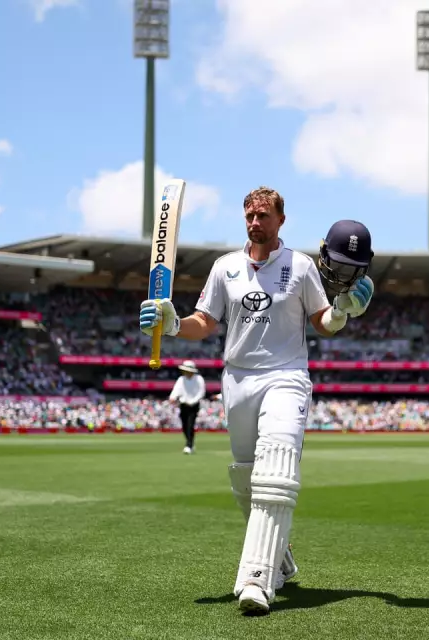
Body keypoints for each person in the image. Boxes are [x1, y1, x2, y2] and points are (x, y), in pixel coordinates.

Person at [139, 187, 374, 615]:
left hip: (286, 376)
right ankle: (280, 560)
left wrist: (342, 313)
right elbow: (204, 322)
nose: (254, 221)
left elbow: (323, 321)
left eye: (263, 215)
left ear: (281, 220)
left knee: (276, 472)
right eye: (249, 214)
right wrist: (172, 323)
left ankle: (255, 580)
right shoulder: (225, 267)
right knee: (247, 480)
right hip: (237, 380)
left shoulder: (300, 267)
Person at [168, 359, 206, 454]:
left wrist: (193, 401)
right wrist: (172, 397)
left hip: (194, 405)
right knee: (185, 425)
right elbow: (176, 390)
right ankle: (190, 444)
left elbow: (201, 392)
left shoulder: (199, 379)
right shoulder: (181, 379)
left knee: (190, 424)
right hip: (183, 404)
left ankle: (189, 445)